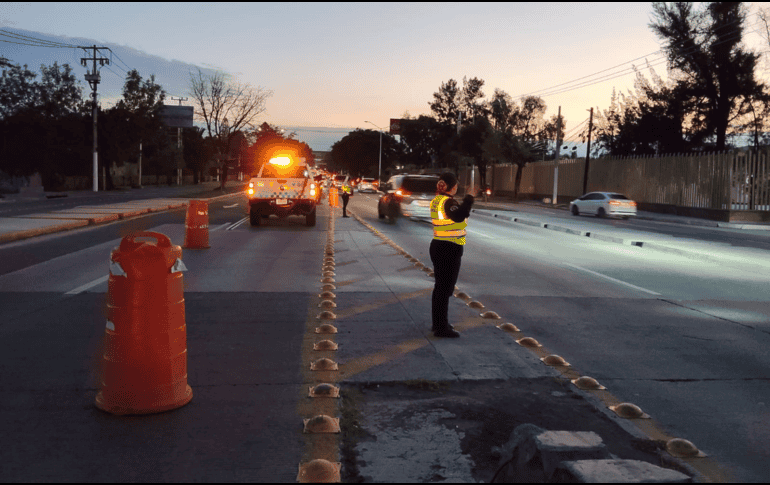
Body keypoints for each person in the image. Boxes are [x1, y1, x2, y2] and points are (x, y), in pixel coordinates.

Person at [429, 172, 476, 338]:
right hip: (448, 248)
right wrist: (469, 198)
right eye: (456, 185)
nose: (457, 187)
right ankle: (441, 328)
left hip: (440, 245)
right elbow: (459, 216)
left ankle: (438, 323)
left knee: (440, 288)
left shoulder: (437, 200)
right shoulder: (448, 202)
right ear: (452, 187)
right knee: (444, 289)